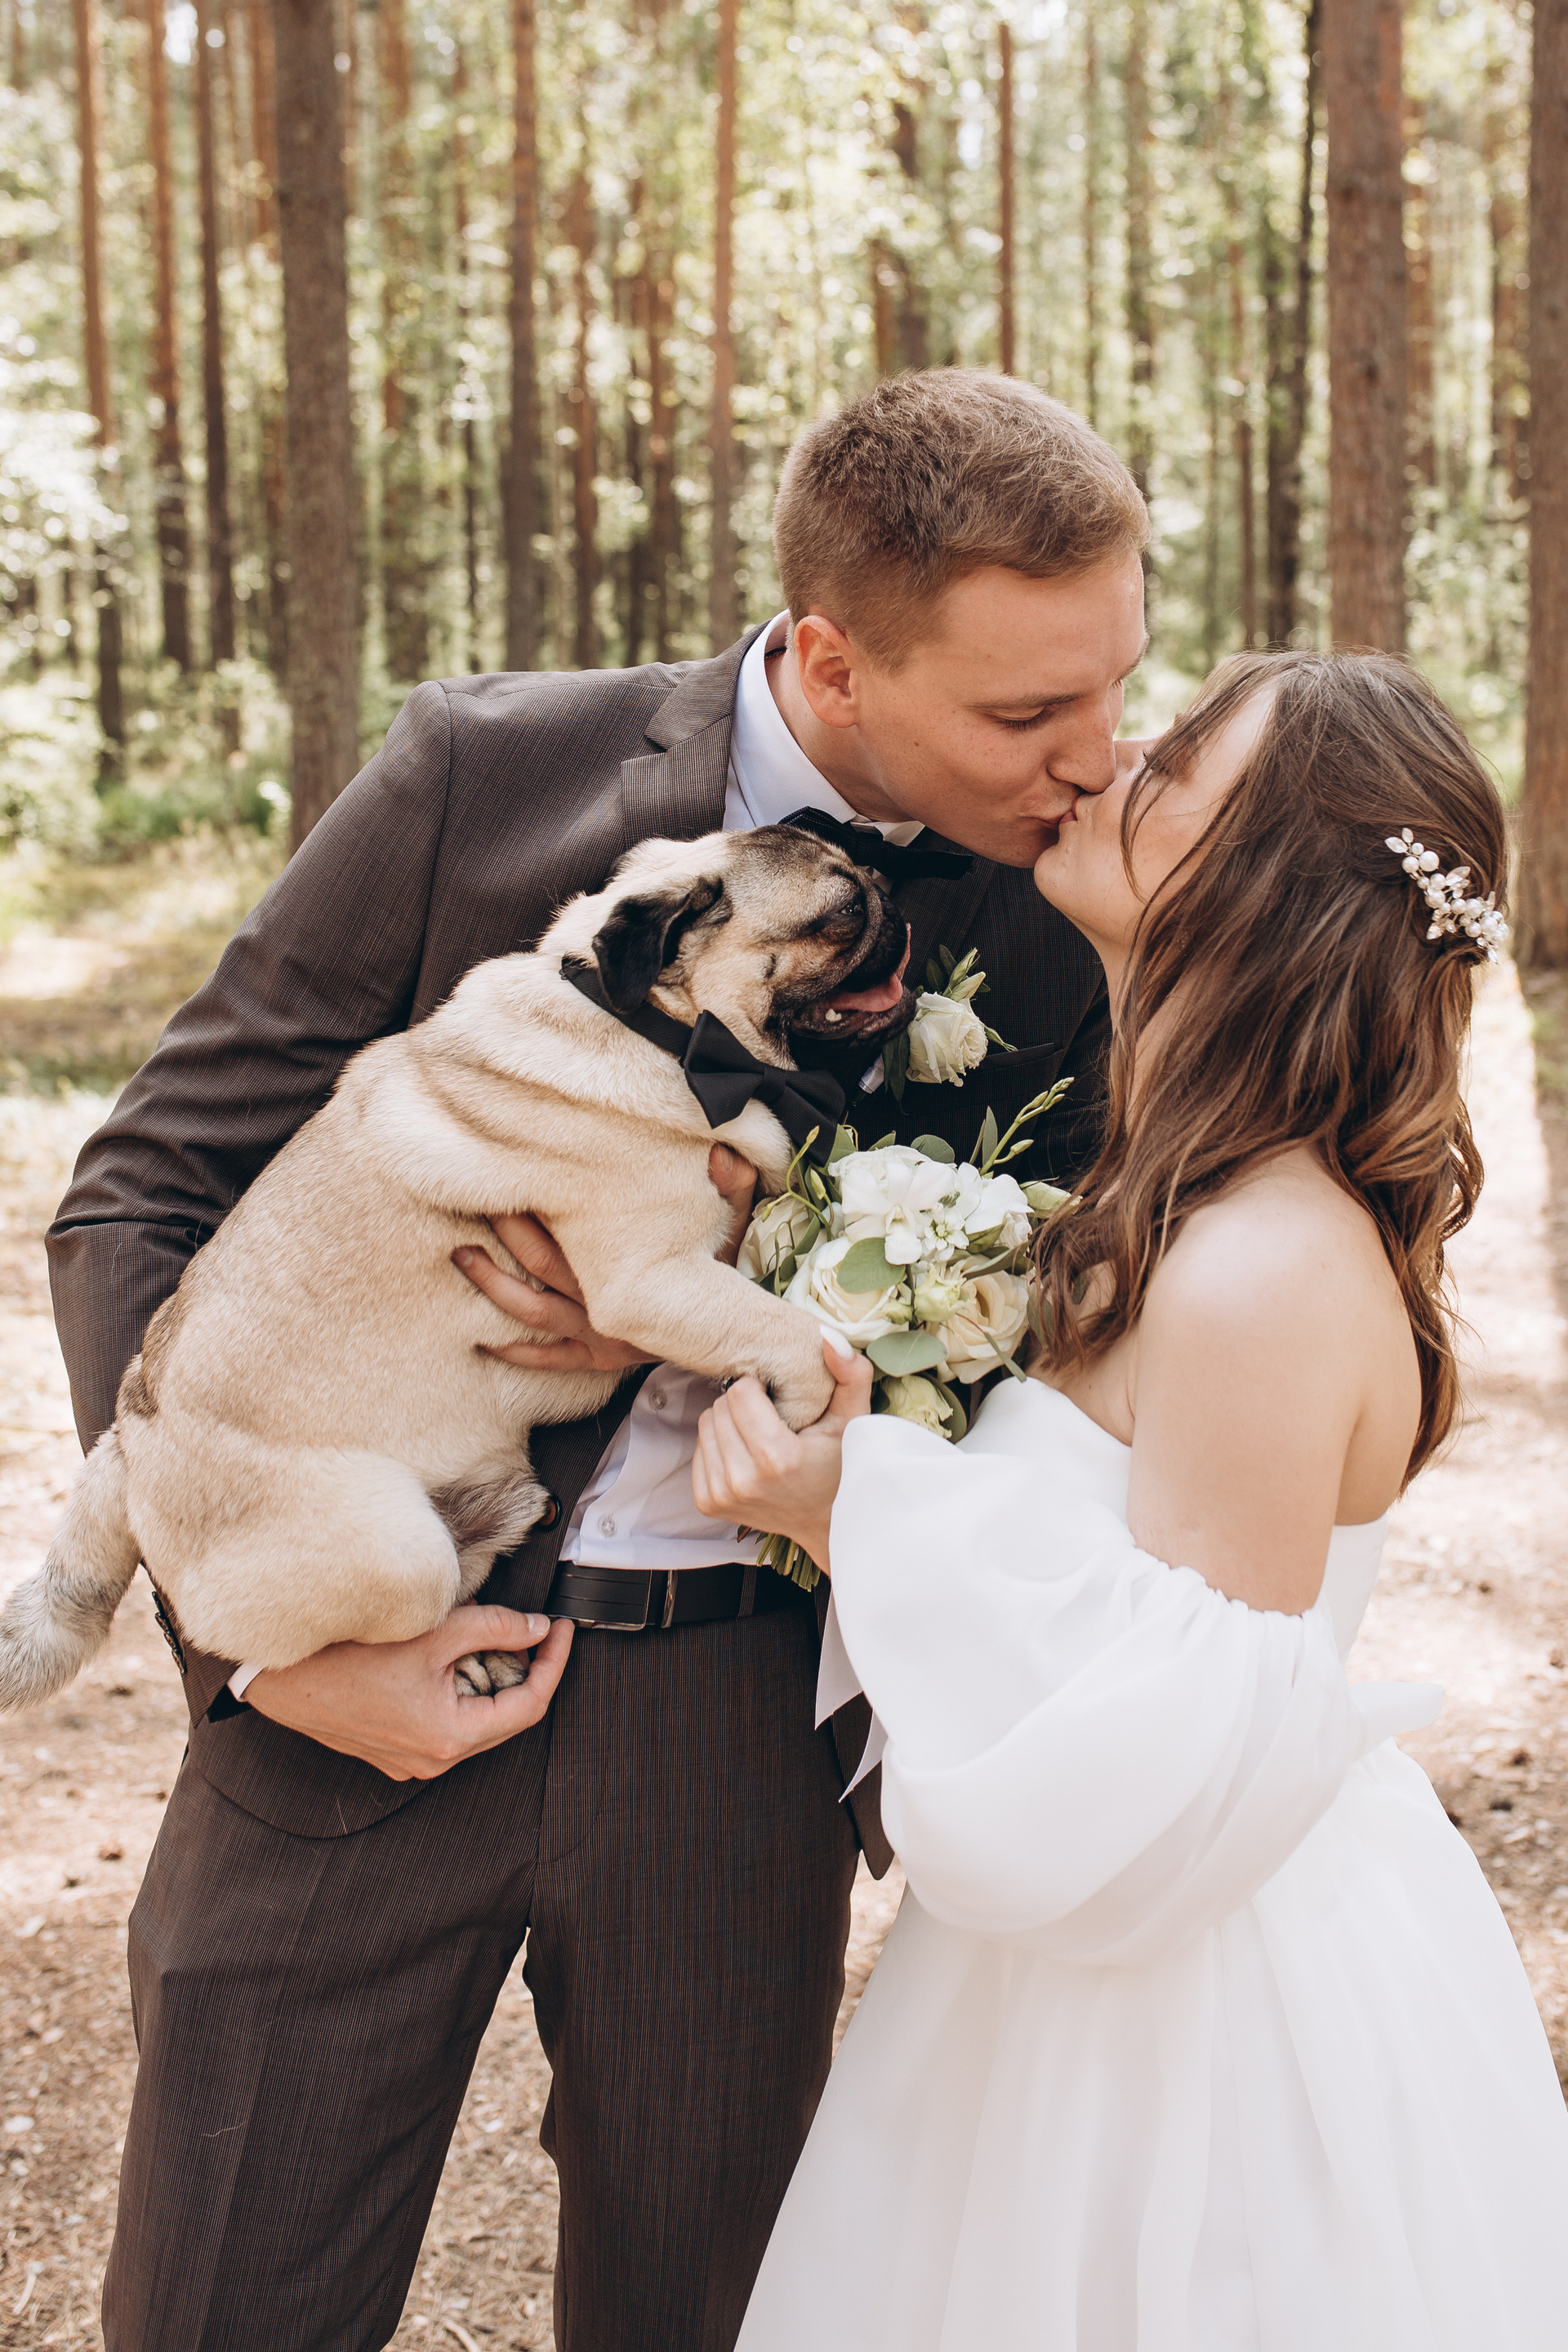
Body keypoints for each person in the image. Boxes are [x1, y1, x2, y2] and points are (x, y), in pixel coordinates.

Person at [47, 369, 1152, 2352]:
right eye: (1025, 714)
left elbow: (1072, 1342)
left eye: (1115, 685)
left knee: (703, 2312)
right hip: (347, 1675)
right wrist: (260, 1640)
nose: (1096, 758)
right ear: (831, 655)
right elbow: (145, 1190)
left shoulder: (1074, 917)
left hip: (736, 1723)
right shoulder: (481, 772)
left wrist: (751, 1299)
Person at [695, 650, 1568, 2350]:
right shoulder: (1182, 1198)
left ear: (1262, 890)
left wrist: (853, 1505)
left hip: (1200, 2030)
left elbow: (1176, 1739)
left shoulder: (1260, 1266)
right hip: (1073, 1978)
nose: (1111, 766)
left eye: (1175, 765)